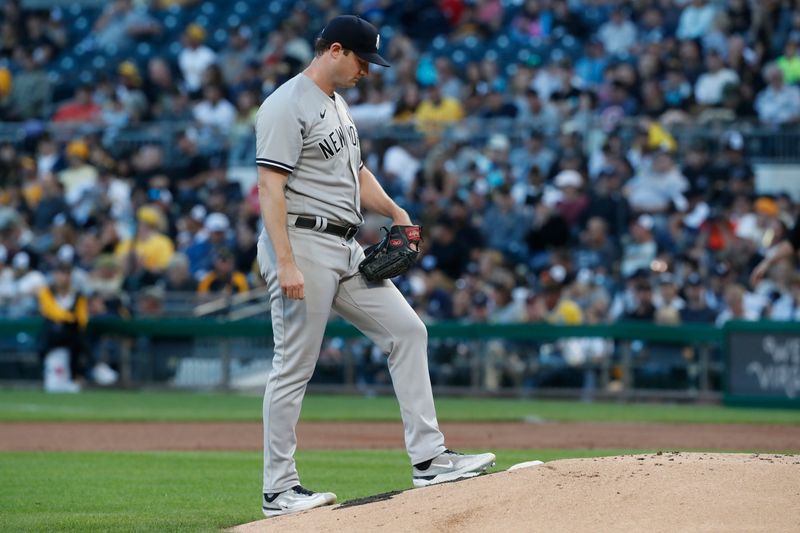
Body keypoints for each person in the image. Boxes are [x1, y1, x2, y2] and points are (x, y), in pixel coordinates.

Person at [254, 15, 494, 517]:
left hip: (346, 247)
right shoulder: (285, 105)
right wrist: (286, 262)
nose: (367, 70)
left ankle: (429, 459)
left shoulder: (338, 106)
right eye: (363, 60)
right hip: (301, 242)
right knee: (293, 367)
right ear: (336, 50)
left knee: (408, 331)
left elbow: (356, 170)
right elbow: (270, 188)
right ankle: (279, 490)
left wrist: (396, 211)